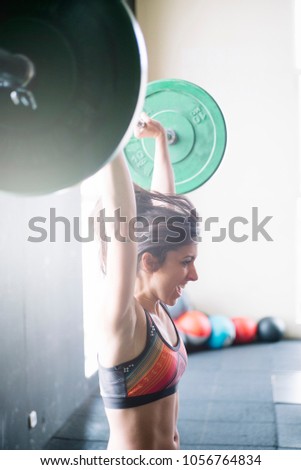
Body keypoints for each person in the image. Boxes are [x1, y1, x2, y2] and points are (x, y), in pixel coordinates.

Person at [95, 113, 199, 450]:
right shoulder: (123, 318)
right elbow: (123, 221)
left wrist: (160, 145)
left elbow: (161, 209)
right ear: (148, 261)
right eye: (186, 262)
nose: (194, 275)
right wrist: (108, 137)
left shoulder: (156, 307)